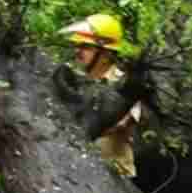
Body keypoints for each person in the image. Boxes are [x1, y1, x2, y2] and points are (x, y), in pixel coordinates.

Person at [59, 13, 141, 178]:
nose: (78, 51)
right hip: (79, 168)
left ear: (106, 54)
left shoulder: (122, 85)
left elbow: (123, 122)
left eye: (86, 47)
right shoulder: (79, 80)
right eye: (79, 45)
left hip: (113, 175)